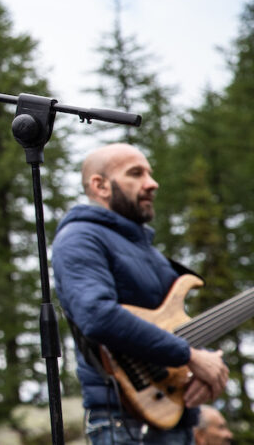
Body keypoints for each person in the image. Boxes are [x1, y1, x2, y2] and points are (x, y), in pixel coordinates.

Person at [52, 143, 230, 445]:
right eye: (136, 173)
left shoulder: (149, 253)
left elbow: (167, 329)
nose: (152, 183)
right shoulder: (80, 238)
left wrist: (205, 367)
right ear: (100, 185)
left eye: (150, 173)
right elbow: (97, 316)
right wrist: (187, 355)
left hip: (176, 420)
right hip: (126, 428)